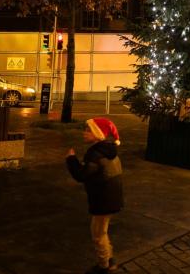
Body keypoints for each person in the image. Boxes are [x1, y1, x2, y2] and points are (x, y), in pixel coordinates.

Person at [67, 117, 124, 274]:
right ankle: (109, 258)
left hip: (104, 199)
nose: (84, 133)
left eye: (88, 130)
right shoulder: (109, 150)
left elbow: (82, 175)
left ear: (97, 134)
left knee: (98, 234)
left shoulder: (95, 154)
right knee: (102, 231)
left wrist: (71, 159)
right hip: (112, 197)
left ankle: (104, 266)